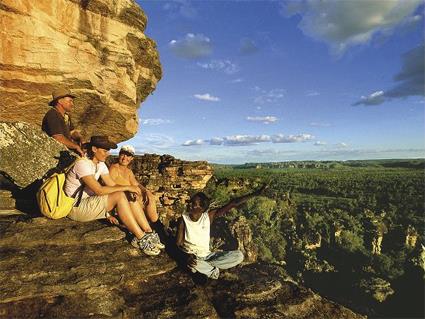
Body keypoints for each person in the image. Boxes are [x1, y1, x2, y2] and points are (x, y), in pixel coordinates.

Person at [63, 135, 161, 256]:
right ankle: (141, 238)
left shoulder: (100, 165)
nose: (108, 154)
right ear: (94, 149)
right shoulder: (82, 165)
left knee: (126, 194)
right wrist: (127, 187)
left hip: (89, 202)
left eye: (108, 151)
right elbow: (99, 190)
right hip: (75, 207)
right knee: (120, 195)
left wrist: (129, 190)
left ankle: (148, 231)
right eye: (105, 151)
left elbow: (112, 185)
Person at [176, 186, 266, 283]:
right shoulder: (183, 220)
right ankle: (210, 270)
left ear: (201, 208)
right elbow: (179, 244)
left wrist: (256, 193)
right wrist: (188, 256)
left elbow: (233, 203)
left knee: (239, 256)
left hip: (209, 256)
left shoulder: (208, 217)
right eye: (190, 202)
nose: (189, 205)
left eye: (193, 203)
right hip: (193, 257)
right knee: (194, 264)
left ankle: (207, 267)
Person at [109, 145, 165, 249]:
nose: (125, 158)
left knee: (150, 198)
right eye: (123, 154)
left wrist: (146, 191)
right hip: (120, 204)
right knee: (131, 198)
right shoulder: (114, 168)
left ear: (132, 159)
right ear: (119, 154)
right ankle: (153, 231)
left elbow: (136, 184)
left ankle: (153, 230)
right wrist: (128, 189)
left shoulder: (128, 172)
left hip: (131, 202)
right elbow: (109, 187)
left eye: (128, 156)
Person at [42, 86, 83, 156]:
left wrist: (79, 137)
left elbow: (71, 132)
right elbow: (58, 138)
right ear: (60, 101)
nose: (72, 104)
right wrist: (75, 146)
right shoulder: (52, 115)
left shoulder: (66, 116)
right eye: (70, 101)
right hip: (53, 155)